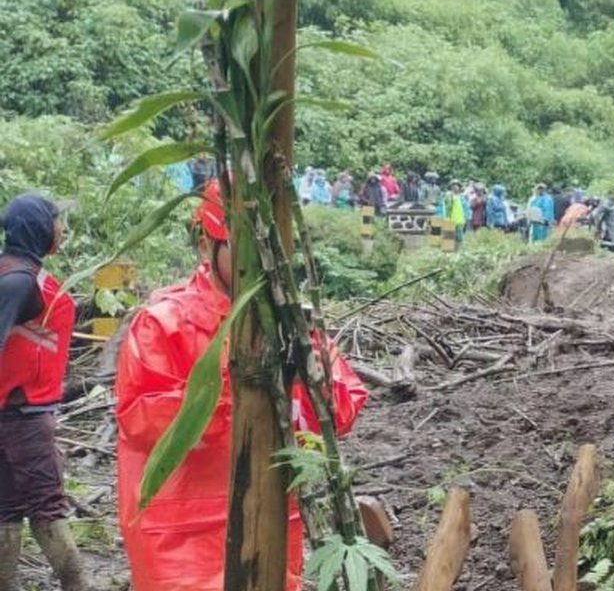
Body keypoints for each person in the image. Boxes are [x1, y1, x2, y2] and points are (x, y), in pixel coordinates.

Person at [115, 181, 367, 591]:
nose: (258, 263)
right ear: (205, 246)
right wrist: (233, 394)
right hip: (179, 531)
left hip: (271, 515)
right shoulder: (166, 322)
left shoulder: (288, 324)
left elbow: (341, 405)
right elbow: (142, 421)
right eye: (240, 246)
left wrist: (306, 374)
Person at [0, 194, 86, 591]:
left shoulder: (14, 272)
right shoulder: (18, 281)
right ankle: (77, 585)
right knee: (47, 508)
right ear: (37, 227)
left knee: (6, 508)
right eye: (57, 221)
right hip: (25, 419)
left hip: (13, 413)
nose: (62, 230)